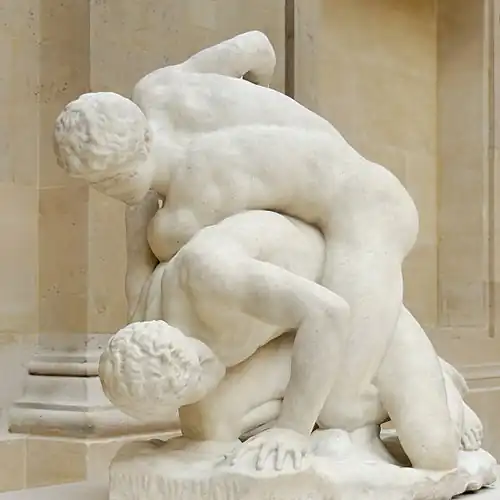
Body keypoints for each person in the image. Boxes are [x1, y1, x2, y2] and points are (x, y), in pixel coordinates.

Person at [53, 31, 457, 470]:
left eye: (114, 179)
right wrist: (267, 111)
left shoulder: (190, 215)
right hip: (337, 201)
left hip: (368, 217)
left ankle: (438, 383)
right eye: (96, 184)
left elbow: (313, 305)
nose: (110, 193)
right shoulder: (158, 90)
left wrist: (294, 428)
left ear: (145, 143)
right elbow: (257, 48)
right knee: (315, 368)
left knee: (339, 402)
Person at [99, 209, 483, 473]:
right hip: (297, 332)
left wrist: (293, 429)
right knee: (209, 424)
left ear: (198, 358)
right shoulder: (144, 318)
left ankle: (441, 381)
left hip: (355, 304)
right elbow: (138, 214)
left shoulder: (213, 277)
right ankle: (331, 417)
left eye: (196, 383)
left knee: (433, 453)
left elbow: (329, 313)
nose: (193, 400)